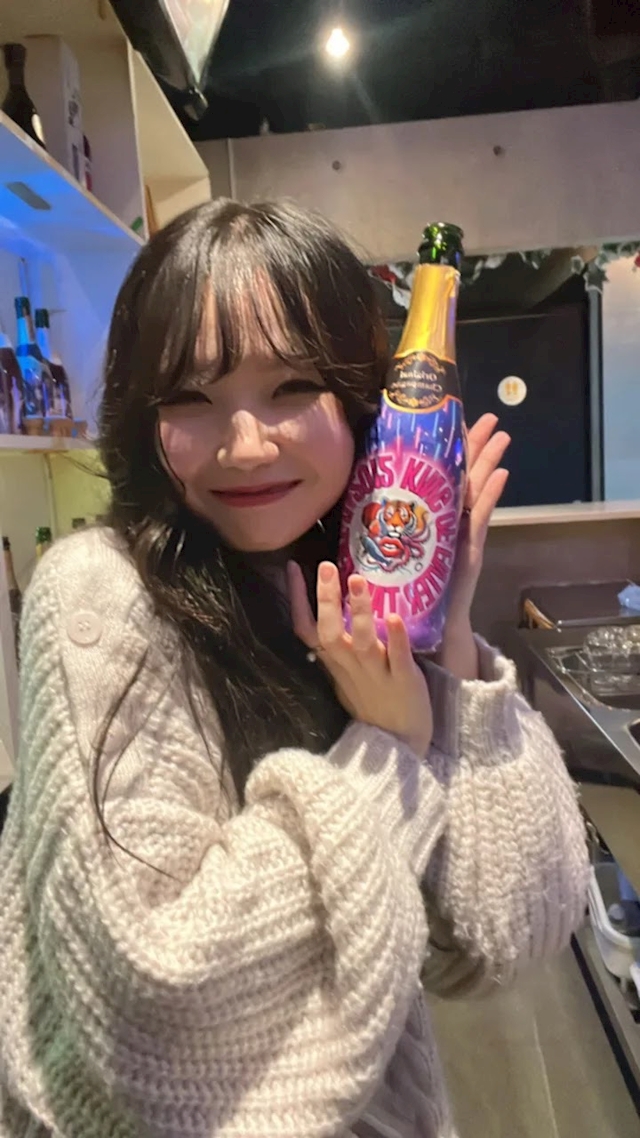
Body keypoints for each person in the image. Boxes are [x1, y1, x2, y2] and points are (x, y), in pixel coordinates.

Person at [0, 200, 589, 1138]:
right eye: (190, 397)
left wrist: (450, 638)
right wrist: (389, 750)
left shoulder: (343, 586)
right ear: (143, 417)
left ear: (360, 400)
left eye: (290, 388)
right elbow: (161, 1016)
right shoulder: (100, 592)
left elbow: (505, 939)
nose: (244, 445)